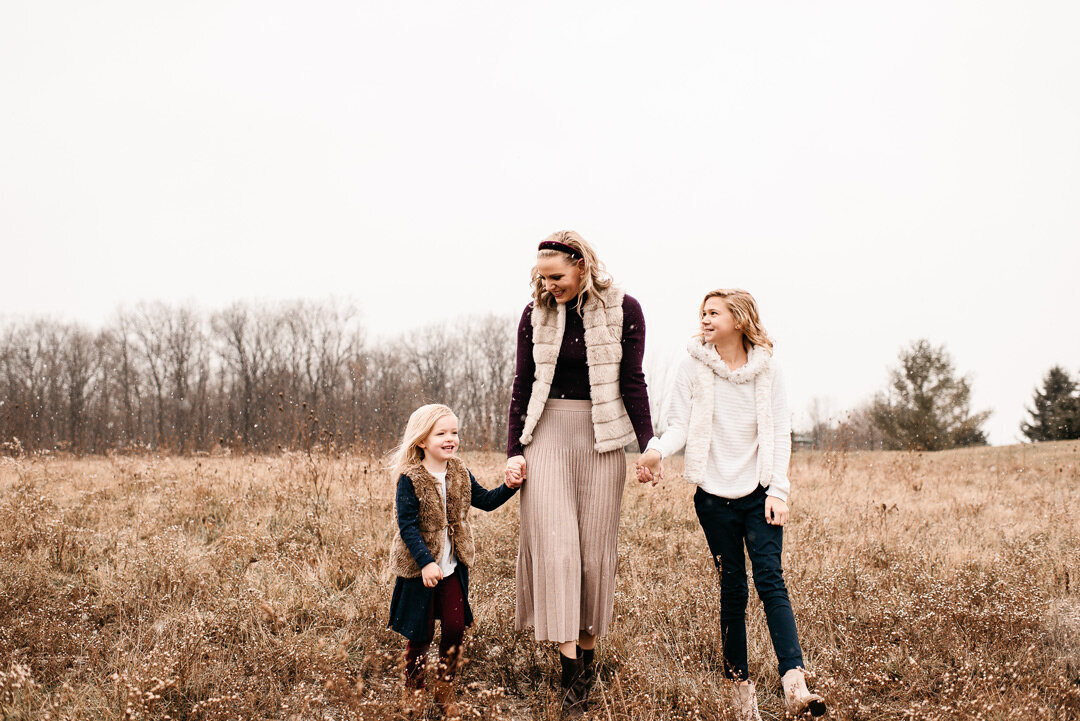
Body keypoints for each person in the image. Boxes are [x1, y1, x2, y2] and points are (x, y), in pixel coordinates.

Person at [636, 289, 826, 720]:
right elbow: (678, 425)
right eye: (702, 312)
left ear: (739, 319)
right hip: (713, 499)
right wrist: (656, 452)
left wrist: (779, 490)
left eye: (713, 313)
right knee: (732, 591)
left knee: (772, 581)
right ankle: (740, 691)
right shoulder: (691, 366)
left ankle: (795, 685)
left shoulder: (769, 371)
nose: (704, 319)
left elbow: (779, 433)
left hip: (760, 494)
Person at [505, 230, 654, 716]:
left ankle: (587, 664)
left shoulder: (625, 309)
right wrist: (514, 451)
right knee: (558, 553)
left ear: (583, 266)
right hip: (547, 434)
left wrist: (647, 445)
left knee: (592, 555)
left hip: (602, 439)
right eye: (542, 279)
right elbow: (522, 385)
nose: (550, 287)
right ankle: (569, 680)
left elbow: (632, 379)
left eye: (557, 277)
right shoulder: (536, 314)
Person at [387, 404, 523, 719]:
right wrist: (425, 562)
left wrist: (510, 488)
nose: (451, 439)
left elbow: (485, 501)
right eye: (442, 433)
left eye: (454, 433)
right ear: (422, 440)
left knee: (455, 627)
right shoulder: (411, 478)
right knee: (419, 635)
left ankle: (445, 686)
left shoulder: (458, 470)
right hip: (419, 569)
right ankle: (414, 688)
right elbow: (406, 526)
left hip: (452, 567)